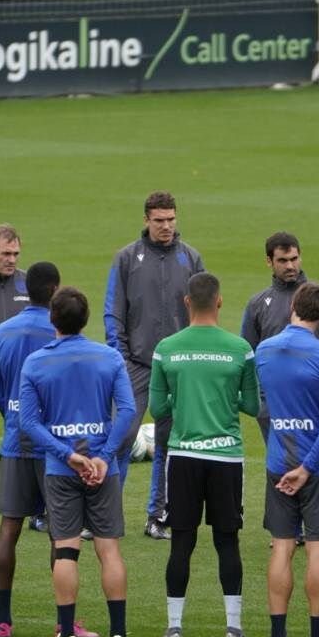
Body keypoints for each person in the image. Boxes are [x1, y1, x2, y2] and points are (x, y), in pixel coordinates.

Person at [19, 286, 137, 637]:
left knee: (66, 549)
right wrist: (102, 457)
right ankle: (119, 636)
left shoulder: (36, 362)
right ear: (85, 319)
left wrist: (67, 455)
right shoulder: (109, 357)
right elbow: (129, 411)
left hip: (61, 469)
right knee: (109, 549)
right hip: (104, 470)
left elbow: (28, 422)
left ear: (52, 318)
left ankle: (66, 636)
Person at [149, 272, 260, 637]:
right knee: (227, 542)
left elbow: (156, 407)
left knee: (181, 542)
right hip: (225, 456)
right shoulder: (240, 348)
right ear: (220, 302)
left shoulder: (166, 348)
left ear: (186, 303)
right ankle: (233, 631)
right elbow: (251, 405)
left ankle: (175, 630)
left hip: (183, 456)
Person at [0, 261, 98, 637]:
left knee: (9, 528)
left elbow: (0, 389)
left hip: (15, 441)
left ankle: (2, 620)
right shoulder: (63, 336)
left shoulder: (2, 332)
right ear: (55, 291)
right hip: (56, 447)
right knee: (61, 534)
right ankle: (64, 622)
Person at [105, 190, 206, 540]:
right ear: (146, 220)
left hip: (179, 367)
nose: (166, 226)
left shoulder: (191, 259)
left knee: (170, 443)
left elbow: (204, 313)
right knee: (120, 438)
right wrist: (119, 357)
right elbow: (113, 312)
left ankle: (158, 517)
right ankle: (104, 516)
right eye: (159, 220)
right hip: (136, 365)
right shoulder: (126, 259)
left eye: (171, 219)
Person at [252, 283, 319, 637]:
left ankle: (277, 635)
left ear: (293, 306)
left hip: (278, 461)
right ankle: (318, 636)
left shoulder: (264, 350)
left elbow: (262, 402)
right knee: (318, 550)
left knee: (282, 546)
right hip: (318, 467)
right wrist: (307, 468)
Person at [240, 231, 319, 553]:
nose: (290, 265)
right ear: (269, 262)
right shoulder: (259, 303)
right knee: (282, 458)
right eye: (283, 260)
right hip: (272, 403)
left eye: (294, 258)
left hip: (314, 401)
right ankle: (288, 528)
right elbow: (248, 352)